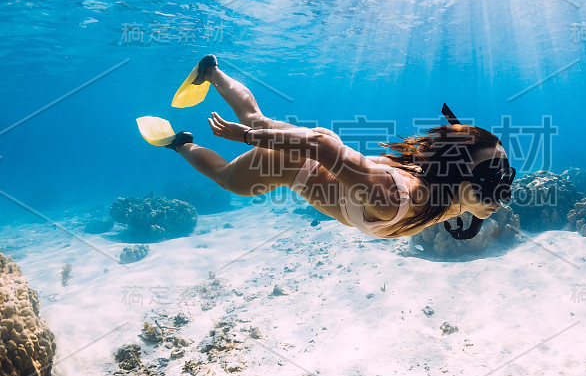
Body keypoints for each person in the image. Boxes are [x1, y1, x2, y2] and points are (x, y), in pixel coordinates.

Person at [137, 55, 516, 240]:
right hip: (299, 162)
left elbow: (473, 192)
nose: (502, 195)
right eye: (491, 181)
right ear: (459, 176)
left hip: (320, 150)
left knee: (256, 118)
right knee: (228, 178)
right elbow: (318, 147)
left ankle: (212, 71)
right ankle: (180, 143)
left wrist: (475, 217)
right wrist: (248, 140)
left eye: (505, 178)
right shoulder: (393, 198)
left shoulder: (448, 191)